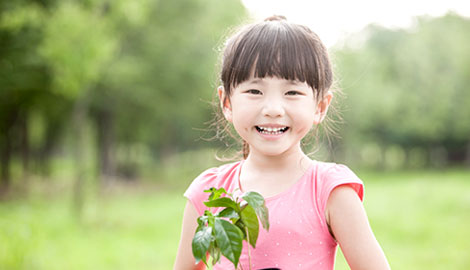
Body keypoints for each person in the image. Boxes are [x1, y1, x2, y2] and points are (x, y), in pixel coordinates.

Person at [174, 15, 390, 270]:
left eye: (292, 92)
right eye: (254, 91)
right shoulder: (209, 193)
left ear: (320, 106)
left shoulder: (330, 191)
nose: (273, 109)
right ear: (227, 103)